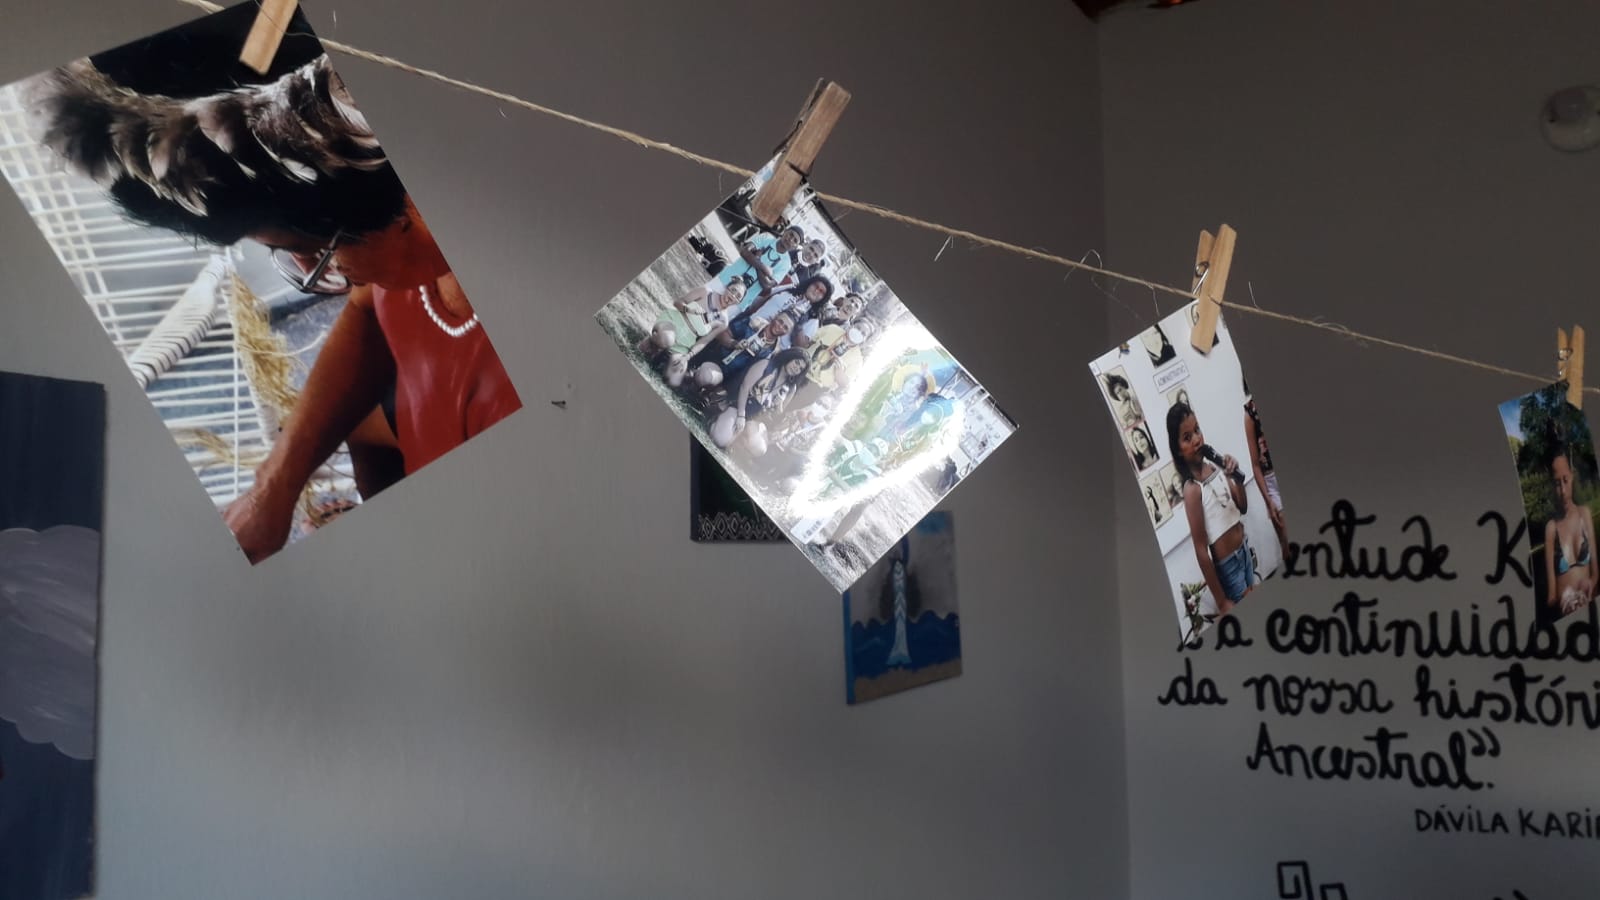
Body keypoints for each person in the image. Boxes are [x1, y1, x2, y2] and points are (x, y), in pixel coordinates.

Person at [25, 39, 522, 562]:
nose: (310, 271)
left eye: (313, 249)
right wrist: (274, 485)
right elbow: (365, 310)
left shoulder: (507, 399)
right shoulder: (409, 264)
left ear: (407, 203)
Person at [1167, 401, 1251, 616]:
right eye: (1187, 438)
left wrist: (1237, 479)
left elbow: (1242, 507)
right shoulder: (1192, 489)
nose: (1197, 439)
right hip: (1229, 567)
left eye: (1197, 430)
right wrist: (1221, 602)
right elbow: (1201, 550)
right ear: (1178, 450)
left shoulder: (1214, 467)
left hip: (1245, 551)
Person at [1544, 439, 1598, 617]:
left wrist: (1589, 584)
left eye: (1565, 480)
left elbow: (1596, 574)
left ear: (1572, 476)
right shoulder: (1551, 529)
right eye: (1556, 483)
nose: (1563, 490)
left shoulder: (1585, 514)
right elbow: (1551, 597)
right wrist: (1564, 600)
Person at [1243, 385, 1289, 560]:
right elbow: (1255, 465)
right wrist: (1269, 501)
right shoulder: (1250, 413)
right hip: (1271, 481)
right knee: (1287, 543)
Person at [718, 224, 805, 307]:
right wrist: (765, 269)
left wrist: (757, 258)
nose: (790, 240)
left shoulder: (786, 264)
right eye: (791, 234)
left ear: (795, 247)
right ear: (785, 231)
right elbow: (744, 251)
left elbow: (767, 285)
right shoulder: (766, 237)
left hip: (742, 300)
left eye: (795, 241)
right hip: (726, 279)